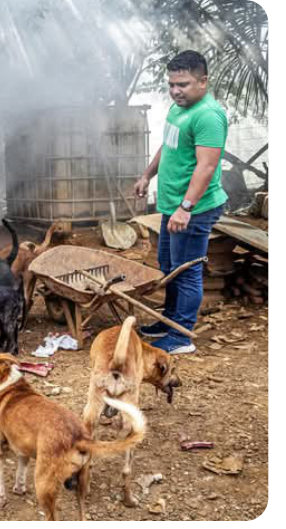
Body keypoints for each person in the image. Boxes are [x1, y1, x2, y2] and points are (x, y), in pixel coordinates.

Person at [133, 50, 228, 354]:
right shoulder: (179, 109)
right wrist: (148, 174)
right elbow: (170, 144)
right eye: (172, 84)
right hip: (173, 205)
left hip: (194, 208)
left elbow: (206, 167)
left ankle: (181, 335)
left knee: (186, 270)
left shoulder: (208, 115)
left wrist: (186, 209)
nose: (175, 91)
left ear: (203, 81)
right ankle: (170, 321)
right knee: (168, 265)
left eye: (183, 84)